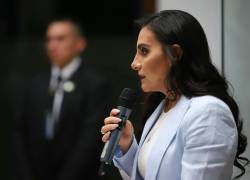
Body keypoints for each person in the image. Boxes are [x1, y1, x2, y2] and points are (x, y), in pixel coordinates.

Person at [101, 10, 249, 180]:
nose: (134, 64)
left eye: (144, 51)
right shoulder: (163, 106)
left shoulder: (208, 112)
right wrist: (127, 145)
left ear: (175, 54)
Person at [11, 18, 112, 180]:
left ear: (80, 44)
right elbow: (19, 135)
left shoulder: (95, 84)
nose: (52, 45)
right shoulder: (34, 84)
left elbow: (89, 140)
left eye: (60, 39)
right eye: (49, 39)